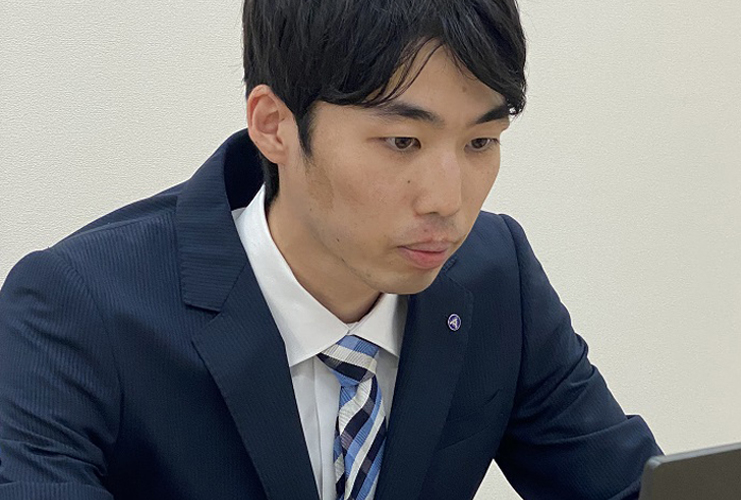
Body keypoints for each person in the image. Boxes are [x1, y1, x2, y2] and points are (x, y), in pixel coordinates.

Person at [0, 0, 661, 498]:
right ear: (274, 126)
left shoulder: (495, 278)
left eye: (481, 142)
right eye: (402, 142)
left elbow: (628, 487)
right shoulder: (76, 309)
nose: (448, 200)